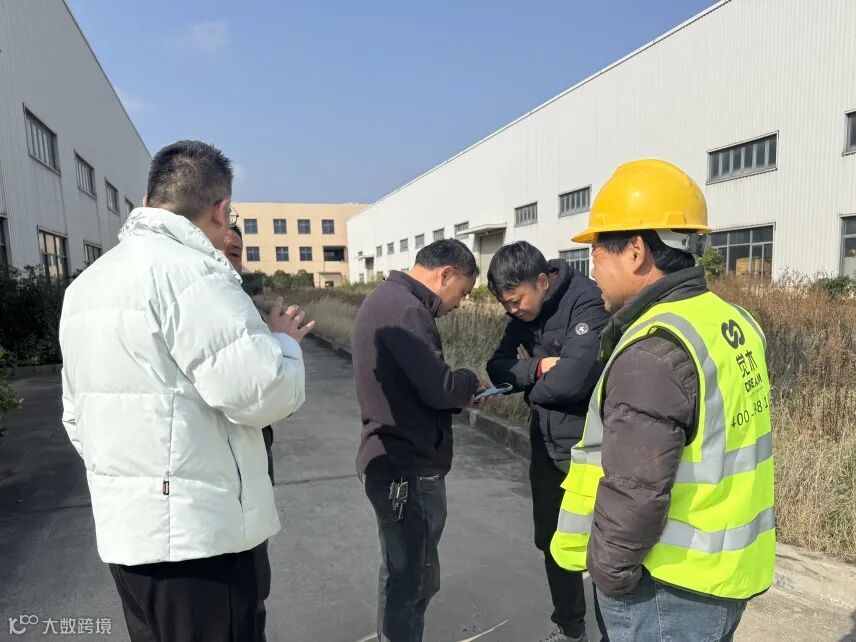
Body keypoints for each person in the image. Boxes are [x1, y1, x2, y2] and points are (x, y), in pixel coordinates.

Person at [59, 140, 314, 642]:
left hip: (128, 536)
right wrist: (283, 344)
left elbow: (75, 417)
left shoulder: (87, 285)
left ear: (148, 200)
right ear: (221, 210)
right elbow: (263, 393)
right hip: (200, 542)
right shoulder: (195, 273)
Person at [550, 159, 775, 642]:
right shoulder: (730, 320)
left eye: (595, 255)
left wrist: (609, 577)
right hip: (722, 577)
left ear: (635, 251)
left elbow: (635, 490)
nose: (593, 272)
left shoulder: (653, 352)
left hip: (665, 590)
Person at [351, 239, 484, 642]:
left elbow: (417, 387)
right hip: (408, 470)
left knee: (399, 573)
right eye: (462, 291)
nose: (460, 303)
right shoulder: (407, 310)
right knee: (413, 581)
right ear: (445, 274)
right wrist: (470, 381)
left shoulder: (385, 300)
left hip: (388, 461)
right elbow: (440, 388)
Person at [485, 241, 609, 642]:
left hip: (590, 447)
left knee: (603, 551)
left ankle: (614, 633)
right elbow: (498, 367)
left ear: (542, 281)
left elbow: (576, 377)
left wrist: (529, 389)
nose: (512, 310)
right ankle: (571, 630)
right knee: (555, 543)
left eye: (516, 300)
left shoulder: (584, 300)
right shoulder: (523, 315)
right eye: (505, 305)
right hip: (545, 444)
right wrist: (538, 367)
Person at [224, 223, 277, 641]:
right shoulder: (212, 308)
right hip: (222, 486)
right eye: (226, 250)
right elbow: (263, 394)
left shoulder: (240, 304)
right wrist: (286, 349)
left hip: (248, 472)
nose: (232, 260)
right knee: (236, 605)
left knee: (252, 597)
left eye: (237, 253)